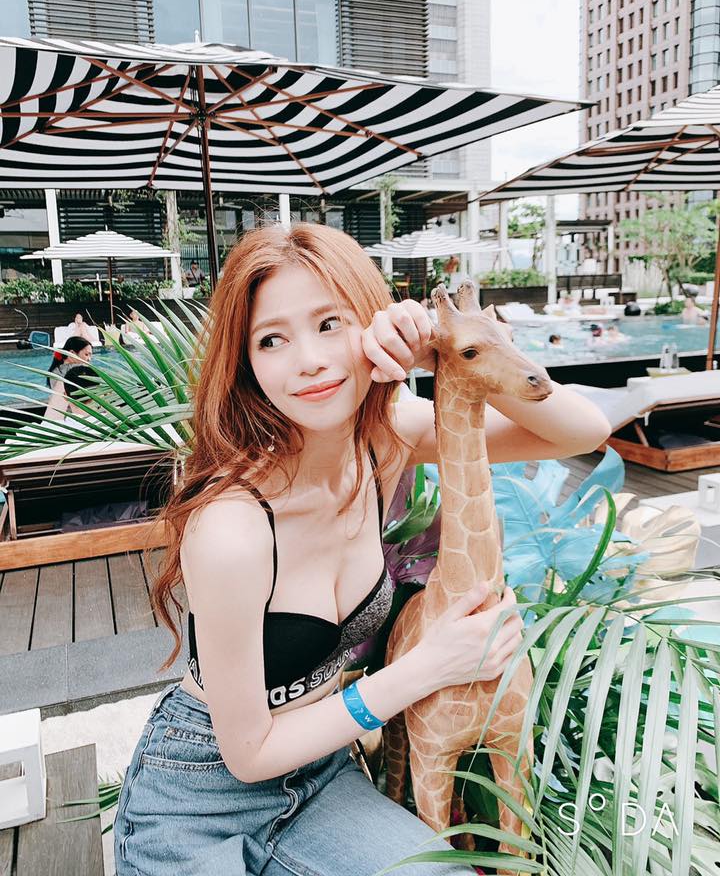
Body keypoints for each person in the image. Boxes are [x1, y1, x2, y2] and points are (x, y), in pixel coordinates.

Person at [113, 223, 611, 876]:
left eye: (330, 324)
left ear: (371, 327)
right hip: (202, 794)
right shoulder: (231, 528)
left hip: (322, 772)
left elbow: (581, 432)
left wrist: (439, 349)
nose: (309, 360)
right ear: (246, 363)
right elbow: (250, 754)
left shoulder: (385, 439)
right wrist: (425, 668)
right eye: (271, 339)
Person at [44, 337, 94, 420]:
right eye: (86, 354)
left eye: (90, 355)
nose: (89, 359)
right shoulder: (76, 371)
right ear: (72, 353)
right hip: (76, 415)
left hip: (59, 414)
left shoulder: (56, 370)